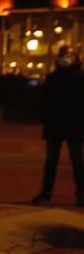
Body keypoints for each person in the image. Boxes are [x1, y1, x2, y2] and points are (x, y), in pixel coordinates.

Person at [33, 45, 84, 206]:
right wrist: (44, 118)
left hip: (75, 125)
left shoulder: (80, 78)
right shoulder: (52, 78)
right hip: (55, 125)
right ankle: (46, 191)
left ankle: (81, 193)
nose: (66, 59)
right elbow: (44, 101)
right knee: (51, 161)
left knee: (77, 161)